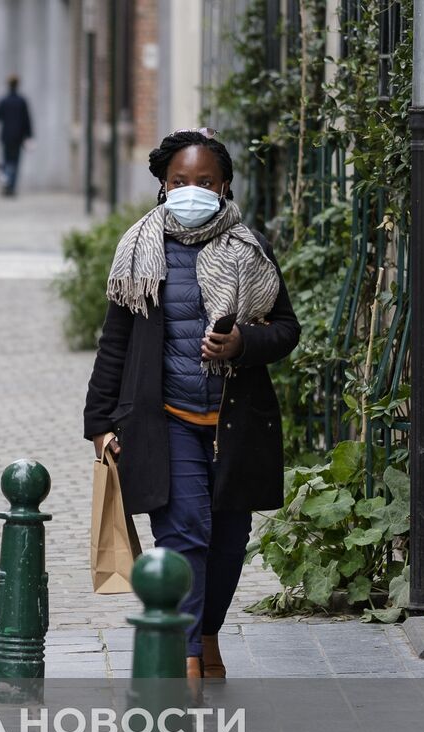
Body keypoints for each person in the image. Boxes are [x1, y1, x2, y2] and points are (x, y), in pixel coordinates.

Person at [83, 129, 300, 680]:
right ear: (162, 184)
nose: (192, 191)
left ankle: (205, 635)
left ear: (224, 186)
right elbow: (116, 343)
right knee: (185, 535)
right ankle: (184, 662)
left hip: (233, 424)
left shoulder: (250, 249)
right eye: (180, 181)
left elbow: (286, 330)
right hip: (166, 421)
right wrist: (100, 423)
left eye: (205, 182)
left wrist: (243, 345)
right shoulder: (139, 250)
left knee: (230, 543)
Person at [0, 75, 33, 197]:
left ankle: (6, 184)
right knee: (15, 162)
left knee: (6, 162)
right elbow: (27, 120)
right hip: (18, 137)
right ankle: (11, 187)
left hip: (6, 136)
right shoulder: (22, 101)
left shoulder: (3, 100)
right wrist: (29, 135)